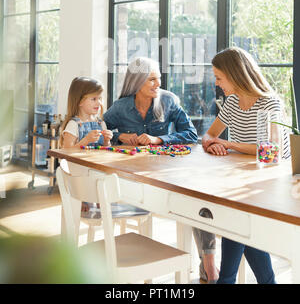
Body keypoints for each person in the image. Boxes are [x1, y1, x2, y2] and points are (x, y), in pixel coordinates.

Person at [103, 56, 219, 283]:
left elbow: (191, 135)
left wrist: (159, 139)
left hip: (167, 176)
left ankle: (209, 264)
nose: (158, 84)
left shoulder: (168, 101)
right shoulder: (120, 108)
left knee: (198, 199)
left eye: (158, 78)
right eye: (152, 80)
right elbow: (100, 128)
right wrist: (119, 136)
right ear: (137, 83)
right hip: (133, 181)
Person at [202, 47, 289, 284]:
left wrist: (229, 144)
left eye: (219, 77)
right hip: (242, 184)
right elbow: (209, 135)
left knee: (237, 220)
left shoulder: (270, 103)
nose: (217, 84)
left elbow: (273, 149)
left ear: (236, 74)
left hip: (269, 186)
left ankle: (226, 280)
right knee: (242, 225)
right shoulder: (232, 103)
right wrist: (213, 145)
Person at [60, 76, 113, 214]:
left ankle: (99, 196)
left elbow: (106, 151)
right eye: (94, 99)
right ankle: (82, 197)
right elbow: (66, 151)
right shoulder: (74, 124)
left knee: (105, 173)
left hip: (96, 169)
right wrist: (85, 141)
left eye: (100, 98)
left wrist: (107, 141)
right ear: (80, 101)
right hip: (79, 173)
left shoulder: (101, 123)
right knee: (87, 173)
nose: (99, 103)